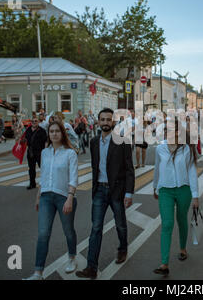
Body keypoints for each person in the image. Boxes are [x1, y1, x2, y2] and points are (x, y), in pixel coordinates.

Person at [76, 108, 134, 280]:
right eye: (103, 120)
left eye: (109, 120)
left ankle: (123, 248)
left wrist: (129, 193)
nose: (106, 123)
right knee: (95, 228)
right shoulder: (94, 142)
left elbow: (130, 169)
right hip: (100, 190)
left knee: (120, 224)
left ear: (114, 122)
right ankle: (91, 267)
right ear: (98, 122)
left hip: (117, 190)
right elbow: (96, 167)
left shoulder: (122, 141)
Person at [24, 121, 78, 280]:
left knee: (68, 231)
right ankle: (38, 272)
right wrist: (38, 197)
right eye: (51, 131)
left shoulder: (70, 153)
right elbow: (43, 176)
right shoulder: (44, 153)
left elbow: (73, 178)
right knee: (43, 234)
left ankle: (72, 258)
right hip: (46, 197)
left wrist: (70, 198)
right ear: (49, 134)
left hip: (63, 197)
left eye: (57, 131)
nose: (54, 134)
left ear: (62, 133)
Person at [152, 119, 199, 277]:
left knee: (181, 219)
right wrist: (155, 186)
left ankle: (183, 248)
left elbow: (192, 172)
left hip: (183, 190)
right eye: (168, 129)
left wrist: (196, 196)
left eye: (174, 129)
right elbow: (157, 168)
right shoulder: (160, 148)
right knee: (167, 224)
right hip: (165, 190)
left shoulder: (187, 149)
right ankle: (164, 263)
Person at [25, 117, 47, 190]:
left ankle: (45, 183)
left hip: (39, 152)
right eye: (33, 121)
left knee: (43, 168)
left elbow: (46, 141)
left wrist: (45, 152)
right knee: (31, 169)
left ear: (38, 122)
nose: (34, 122)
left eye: (36, 121)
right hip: (30, 152)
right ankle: (32, 184)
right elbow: (25, 139)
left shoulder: (42, 131)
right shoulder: (28, 130)